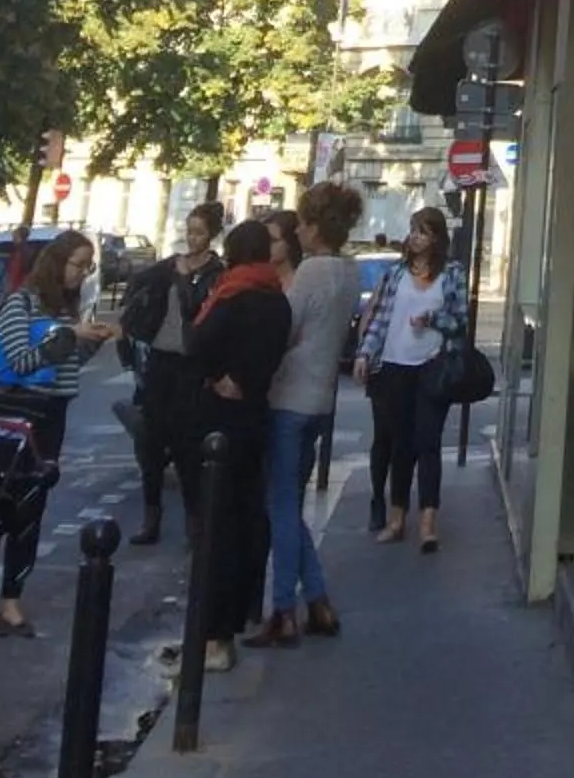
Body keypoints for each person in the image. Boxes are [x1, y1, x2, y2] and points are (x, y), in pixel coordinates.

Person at [0, 231, 119, 634]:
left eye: (87, 266)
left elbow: (66, 365)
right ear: (56, 261)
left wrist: (91, 341)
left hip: (51, 416)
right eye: (78, 264)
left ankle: (12, 598)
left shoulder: (65, 308)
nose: (82, 274)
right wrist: (67, 336)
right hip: (14, 413)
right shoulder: (20, 303)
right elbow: (21, 363)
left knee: (31, 510)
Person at [250, 181, 362, 647]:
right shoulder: (350, 271)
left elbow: (285, 327)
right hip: (321, 399)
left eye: (301, 222)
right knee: (288, 506)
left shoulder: (313, 271)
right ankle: (317, 600)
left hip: (289, 396)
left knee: (280, 507)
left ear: (315, 226)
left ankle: (283, 610)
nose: (296, 229)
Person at [184, 218, 290, 673]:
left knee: (216, 528)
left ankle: (214, 636)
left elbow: (198, 343)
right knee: (246, 521)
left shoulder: (232, 294)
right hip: (255, 414)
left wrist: (218, 376)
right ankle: (237, 617)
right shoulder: (277, 299)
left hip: (220, 420)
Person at [358, 206, 467, 554]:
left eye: (423, 231)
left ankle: (428, 523)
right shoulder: (395, 274)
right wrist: (364, 353)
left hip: (433, 367)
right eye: (413, 230)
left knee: (428, 443)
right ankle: (396, 517)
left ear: (437, 237)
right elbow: (380, 320)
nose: (415, 237)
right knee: (400, 445)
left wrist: (432, 318)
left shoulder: (452, 274)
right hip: (394, 365)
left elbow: (460, 322)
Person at [119, 202, 223, 545]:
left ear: (211, 235)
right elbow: (138, 288)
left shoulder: (215, 273)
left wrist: (182, 278)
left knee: (187, 446)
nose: (191, 238)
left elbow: (196, 307)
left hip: (190, 365)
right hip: (160, 360)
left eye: (198, 232)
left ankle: (195, 521)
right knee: (151, 441)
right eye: (188, 230)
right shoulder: (167, 267)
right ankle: (152, 517)